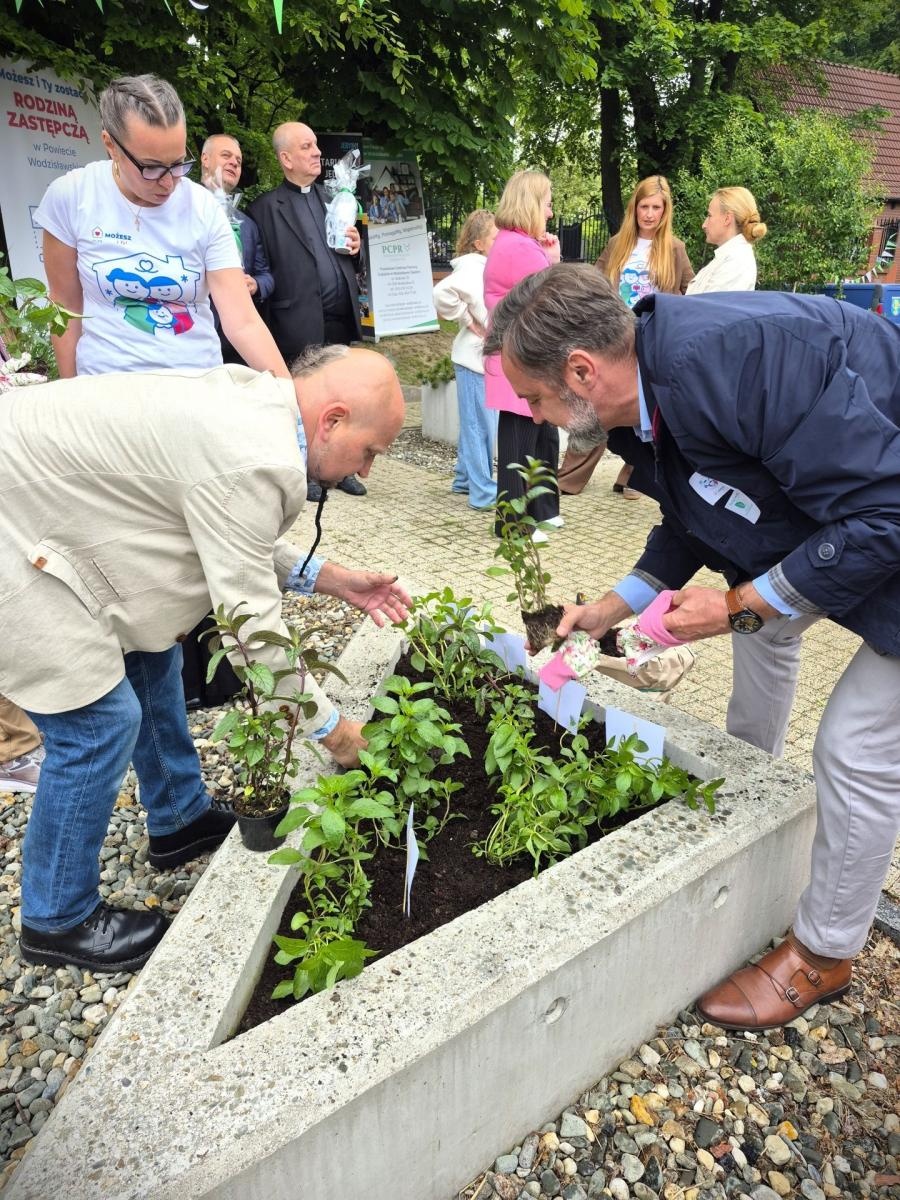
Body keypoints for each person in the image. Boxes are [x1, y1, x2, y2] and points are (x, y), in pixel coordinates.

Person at [485, 262, 900, 1032]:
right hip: (865, 509)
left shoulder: (739, 365)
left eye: (535, 396)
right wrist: (608, 607)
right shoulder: (646, 389)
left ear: (580, 369)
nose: (534, 414)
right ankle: (747, 786)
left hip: (888, 510)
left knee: (857, 747)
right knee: (765, 629)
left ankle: (825, 951)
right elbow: (691, 517)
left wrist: (739, 604)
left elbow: (884, 518)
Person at [0, 345, 410, 975]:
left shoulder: (257, 411)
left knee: (151, 654)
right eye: (372, 451)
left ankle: (178, 820)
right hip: (12, 529)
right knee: (96, 724)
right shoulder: (253, 452)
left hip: (46, 512)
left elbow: (222, 532)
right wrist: (336, 733)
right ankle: (57, 917)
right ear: (331, 420)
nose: (369, 470)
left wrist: (331, 577)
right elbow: (256, 636)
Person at [36, 74, 288, 380]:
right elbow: (66, 306)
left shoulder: (204, 208)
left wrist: (289, 401)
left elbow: (242, 321)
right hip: (106, 391)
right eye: (151, 167)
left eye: (179, 163)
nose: (169, 182)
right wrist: (70, 390)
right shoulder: (72, 196)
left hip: (194, 387)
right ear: (111, 146)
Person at [248, 122, 367, 501]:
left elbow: (351, 258)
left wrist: (356, 246)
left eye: (316, 145)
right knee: (302, 400)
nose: (317, 152)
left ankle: (341, 468)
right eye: (306, 147)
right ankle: (305, 471)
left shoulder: (332, 200)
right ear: (286, 158)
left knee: (341, 397)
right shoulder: (264, 209)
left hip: (337, 317)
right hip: (296, 321)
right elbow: (260, 269)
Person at [558, 175, 694, 498]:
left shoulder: (675, 249)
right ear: (635, 208)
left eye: (656, 207)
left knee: (644, 410)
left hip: (653, 339)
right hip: (613, 336)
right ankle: (569, 477)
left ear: (665, 210)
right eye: (644, 206)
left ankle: (635, 476)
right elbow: (594, 281)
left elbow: (690, 292)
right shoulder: (618, 243)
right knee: (595, 403)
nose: (649, 214)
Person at [483, 169, 561, 544]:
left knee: (540, 435)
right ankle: (513, 523)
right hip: (519, 359)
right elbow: (551, 298)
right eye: (547, 204)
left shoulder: (517, 244)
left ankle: (541, 511)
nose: (550, 212)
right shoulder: (518, 247)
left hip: (522, 356)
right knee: (519, 443)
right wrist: (554, 259)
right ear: (531, 204)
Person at [432, 209, 498, 511]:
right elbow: (441, 293)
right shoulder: (474, 268)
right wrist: (466, 319)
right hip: (474, 359)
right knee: (479, 426)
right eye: (495, 238)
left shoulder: (481, 266)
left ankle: (463, 479)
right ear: (478, 244)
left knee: (475, 423)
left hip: (475, 358)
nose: (501, 243)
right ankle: (483, 491)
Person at [200, 132, 275, 363]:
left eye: (239, 161)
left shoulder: (247, 224)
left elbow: (266, 276)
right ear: (204, 159)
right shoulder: (180, 207)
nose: (234, 162)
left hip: (238, 345)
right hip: (195, 337)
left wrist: (256, 284)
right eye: (226, 155)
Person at [687, 186, 768, 294]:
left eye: (709, 215)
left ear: (727, 219)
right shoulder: (729, 258)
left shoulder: (737, 262)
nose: (704, 225)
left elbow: (708, 309)